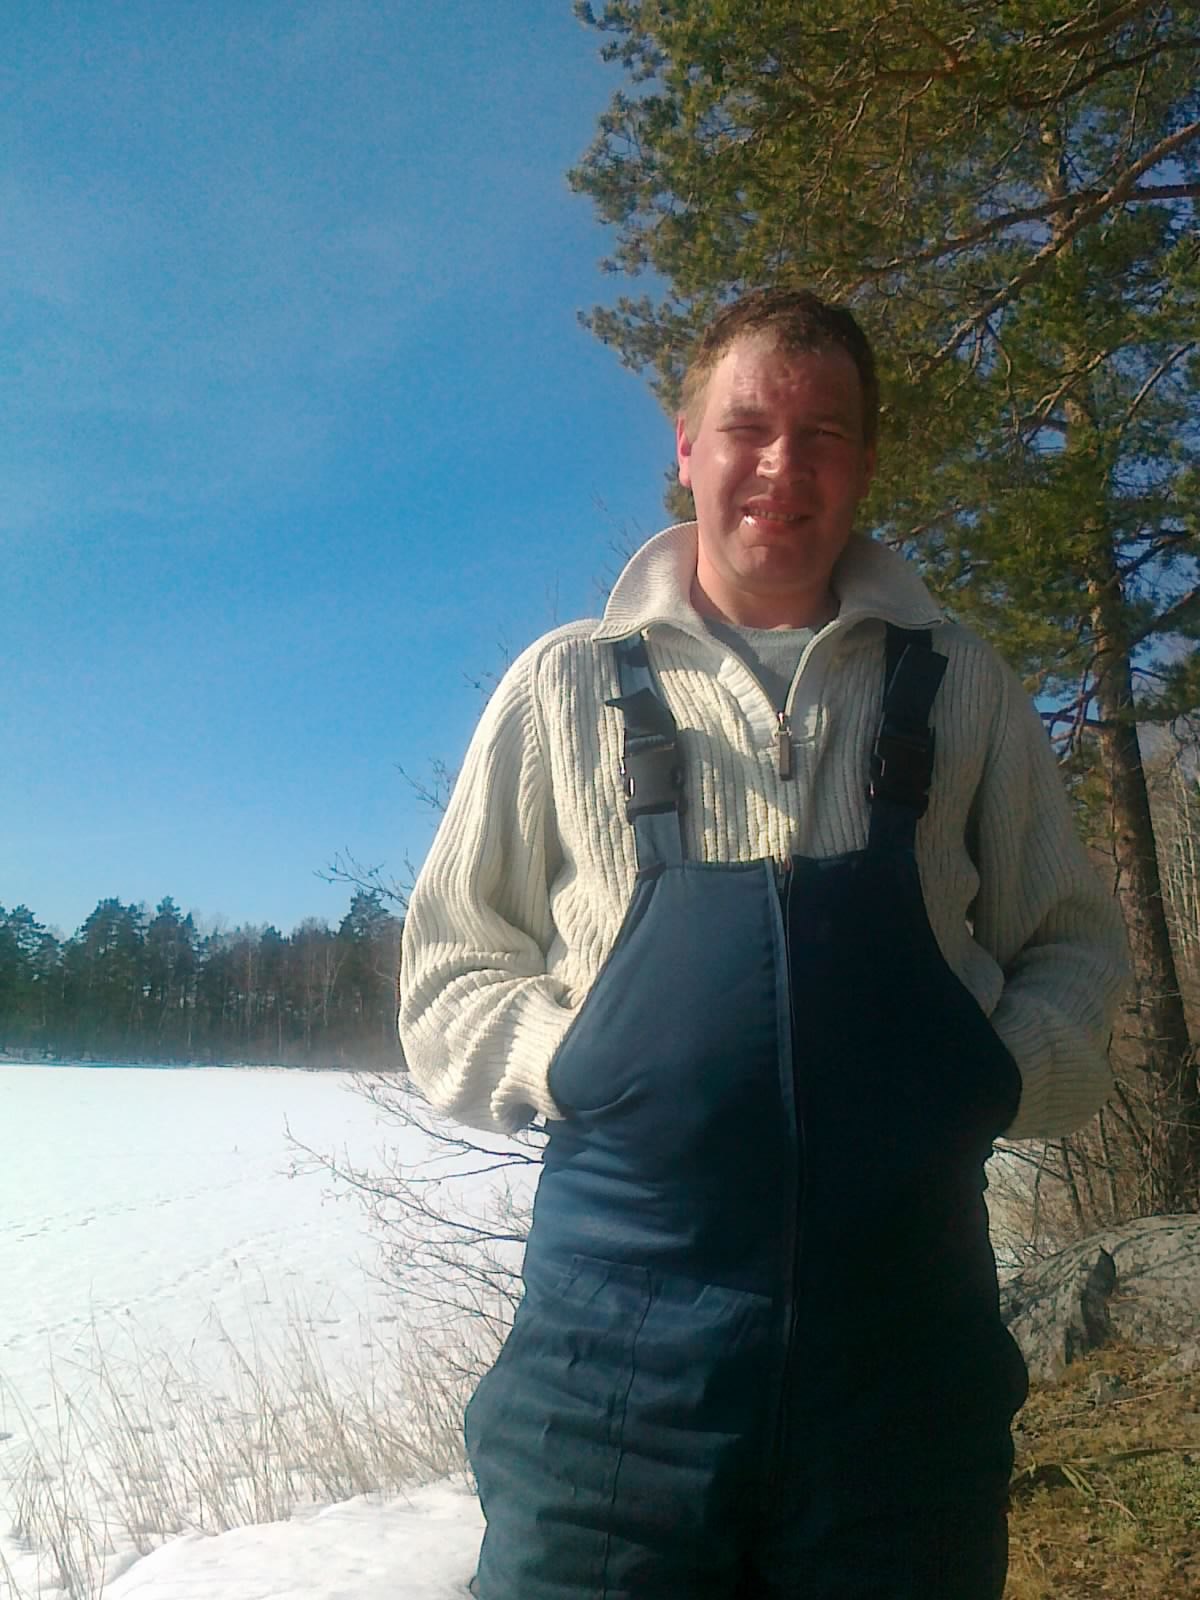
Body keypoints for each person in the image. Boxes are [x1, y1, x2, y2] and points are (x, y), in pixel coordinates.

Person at [398, 289, 1130, 1600]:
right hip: (609, 1384)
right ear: (687, 447)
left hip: (906, 1379)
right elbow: (449, 975)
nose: (784, 465)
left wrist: (1001, 1070)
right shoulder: (567, 684)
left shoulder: (962, 684)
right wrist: (571, 1056)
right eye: (749, 427)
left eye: (824, 433)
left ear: (866, 461)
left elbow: (1071, 941)